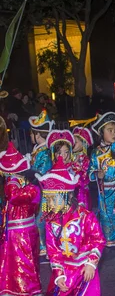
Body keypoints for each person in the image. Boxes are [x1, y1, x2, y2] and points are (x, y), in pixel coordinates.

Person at [36, 156, 106, 296]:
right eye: (46, 199)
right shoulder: (51, 221)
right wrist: (58, 275)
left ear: (65, 196)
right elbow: (52, 250)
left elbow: (98, 239)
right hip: (66, 270)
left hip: (85, 270)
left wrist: (92, 262)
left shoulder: (85, 216)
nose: (47, 203)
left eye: (51, 199)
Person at [0, 143, 42, 296]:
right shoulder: (12, 182)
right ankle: (25, 293)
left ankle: (28, 291)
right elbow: (15, 197)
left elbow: (33, 202)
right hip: (19, 230)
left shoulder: (20, 181)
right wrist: (33, 190)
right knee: (22, 263)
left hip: (27, 227)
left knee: (29, 260)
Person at [89, 112, 115, 248]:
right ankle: (111, 242)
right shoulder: (96, 153)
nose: (114, 134)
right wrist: (97, 175)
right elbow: (90, 172)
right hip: (105, 192)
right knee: (107, 216)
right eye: (109, 130)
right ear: (101, 133)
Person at [28, 110, 54, 256]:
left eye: (32, 133)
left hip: (44, 192)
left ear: (37, 134)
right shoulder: (38, 150)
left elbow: (40, 171)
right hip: (38, 191)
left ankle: (44, 249)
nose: (31, 136)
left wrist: (28, 172)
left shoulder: (44, 152)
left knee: (41, 219)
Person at [72, 127, 93, 209]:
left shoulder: (86, 160)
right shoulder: (70, 157)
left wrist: (75, 165)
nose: (73, 144)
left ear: (84, 143)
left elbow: (84, 177)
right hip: (73, 192)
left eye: (76, 142)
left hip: (82, 194)